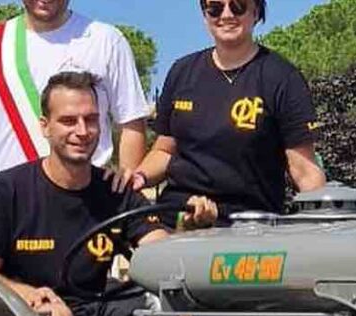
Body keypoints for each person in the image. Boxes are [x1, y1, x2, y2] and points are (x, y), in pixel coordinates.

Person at [0, 71, 216, 316]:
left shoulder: (115, 189)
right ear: (45, 127)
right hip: (35, 314)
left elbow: (159, 253)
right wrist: (27, 294)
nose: (82, 131)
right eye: (69, 121)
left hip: (102, 311)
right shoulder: (11, 188)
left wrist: (189, 229)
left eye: (91, 119)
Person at [0, 0, 151, 256]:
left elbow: (132, 121)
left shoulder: (105, 40)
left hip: (83, 212)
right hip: (3, 213)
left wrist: (124, 197)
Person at [128, 0, 327, 220]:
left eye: (238, 6)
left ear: (256, 11)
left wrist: (328, 222)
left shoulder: (282, 78)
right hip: (179, 218)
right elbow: (164, 151)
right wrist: (140, 176)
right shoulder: (181, 72)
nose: (226, 15)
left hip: (251, 227)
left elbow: (305, 170)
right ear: (204, 14)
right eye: (215, 8)